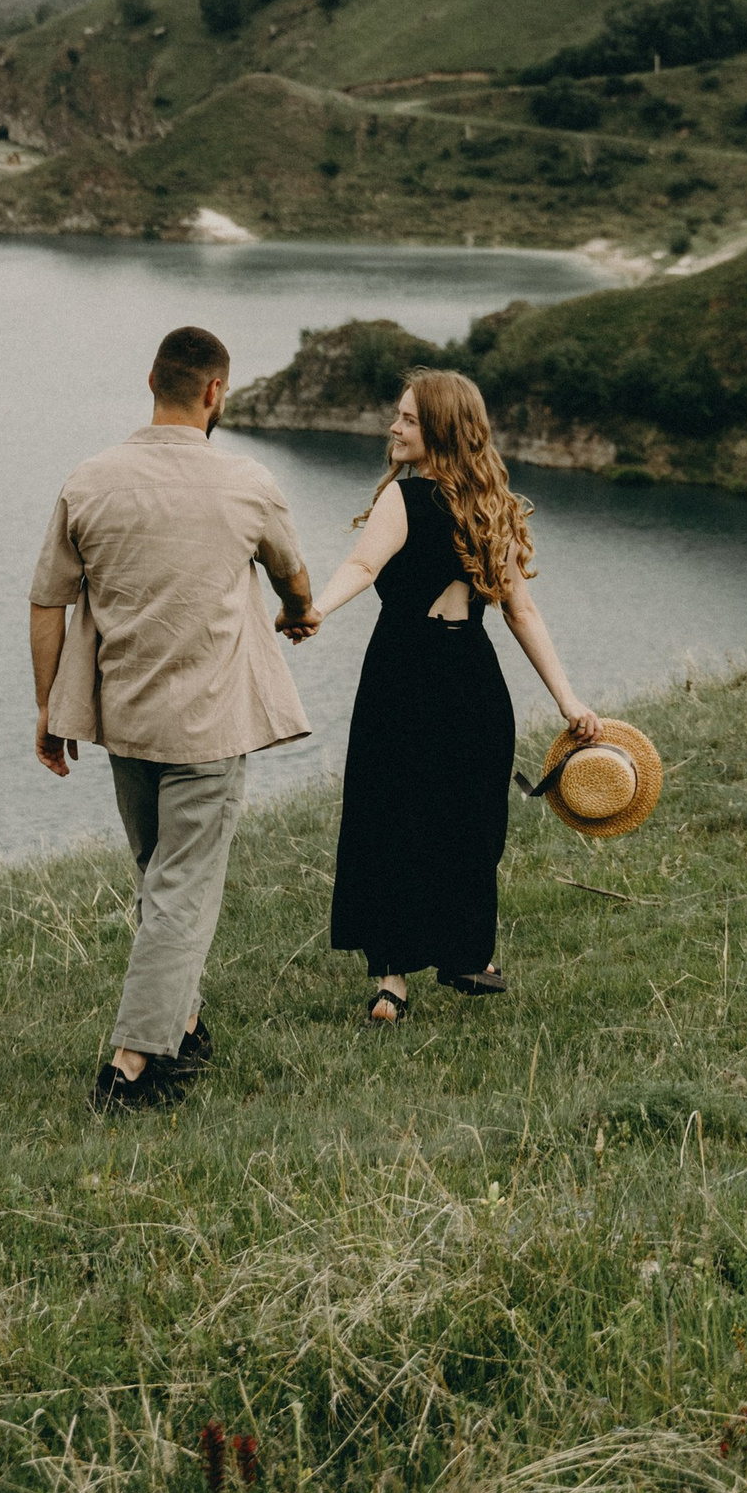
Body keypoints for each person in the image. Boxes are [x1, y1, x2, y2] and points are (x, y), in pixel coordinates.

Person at [29, 324, 319, 1113]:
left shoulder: (88, 482)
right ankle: (131, 1065)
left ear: (151, 381)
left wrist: (48, 710)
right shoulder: (248, 484)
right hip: (210, 726)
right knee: (182, 886)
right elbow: (294, 577)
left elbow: (48, 600)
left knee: (159, 878)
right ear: (215, 393)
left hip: (126, 720)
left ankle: (184, 1023)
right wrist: (299, 613)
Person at [308, 367, 603, 1024]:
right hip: (469, 673)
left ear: (439, 428)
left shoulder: (407, 500)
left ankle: (394, 982)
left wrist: (317, 609)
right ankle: (462, 955)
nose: (394, 426)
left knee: (391, 815)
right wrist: (568, 699)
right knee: (468, 819)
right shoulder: (484, 504)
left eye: (408, 418)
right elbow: (520, 614)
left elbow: (363, 567)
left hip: (401, 671)